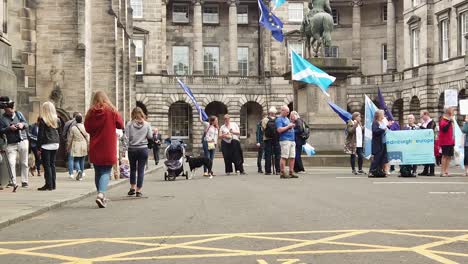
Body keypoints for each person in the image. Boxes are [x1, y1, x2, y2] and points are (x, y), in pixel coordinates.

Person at [85, 91, 124, 208]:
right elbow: (121, 125)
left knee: (98, 172)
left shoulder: (90, 112)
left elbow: (87, 128)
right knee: (106, 171)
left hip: (95, 146)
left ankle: (100, 195)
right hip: (108, 146)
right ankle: (101, 194)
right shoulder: (111, 110)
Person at [0, 98, 29, 188]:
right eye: (9, 110)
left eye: (12, 109)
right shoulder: (2, 118)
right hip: (11, 143)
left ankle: (25, 181)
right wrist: (9, 128)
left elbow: (26, 124)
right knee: (11, 162)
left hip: (23, 141)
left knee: (24, 162)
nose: (11, 111)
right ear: (5, 110)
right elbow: (1, 130)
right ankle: (13, 181)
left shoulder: (19, 114)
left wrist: (22, 125)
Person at [124, 107, 152, 197]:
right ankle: (138, 190)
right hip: (143, 149)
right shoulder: (147, 124)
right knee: (141, 170)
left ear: (133, 114)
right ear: (142, 114)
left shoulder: (129, 124)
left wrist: (124, 149)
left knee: (132, 169)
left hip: (132, 149)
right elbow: (150, 136)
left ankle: (132, 188)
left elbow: (126, 138)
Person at [37, 102, 61, 191]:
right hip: (55, 143)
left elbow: (40, 135)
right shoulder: (57, 120)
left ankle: (48, 185)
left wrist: (38, 147)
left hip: (46, 144)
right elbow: (59, 132)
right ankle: (53, 185)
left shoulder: (43, 120)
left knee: (47, 166)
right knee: (52, 164)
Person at [276, 105, 298, 179]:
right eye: (287, 112)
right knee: (284, 156)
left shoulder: (287, 119)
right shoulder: (279, 119)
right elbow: (279, 130)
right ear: (282, 111)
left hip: (291, 140)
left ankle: (291, 171)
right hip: (285, 140)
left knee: (292, 156)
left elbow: (288, 127)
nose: (288, 113)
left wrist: (292, 125)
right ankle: (282, 172)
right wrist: (288, 127)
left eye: (288, 112)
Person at [67, 114, 89, 181]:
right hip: (83, 144)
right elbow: (87, 136)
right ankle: (81, 175)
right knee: (82, 160)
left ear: (76, 120)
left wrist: (68, 146)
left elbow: (70, 138)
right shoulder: (85, 127)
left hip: (76, 144)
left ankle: (78, 170)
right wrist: (88, 144)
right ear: (81, 119)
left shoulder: (73, 128)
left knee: (76, 160)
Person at [369, 110, 388, 177]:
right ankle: (371, 171)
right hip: (377, 143)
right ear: (379, 115)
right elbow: (375, 131)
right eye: (383, 114)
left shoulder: (382, 122)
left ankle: (379, 171)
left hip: (383, 143)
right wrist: (383, 130)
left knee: (382, 158)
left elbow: (386, 130)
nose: (384, 115)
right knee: (377, 158)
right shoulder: (375, 122)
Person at [262, 107, 281, 175]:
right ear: (275, 112)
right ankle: (278, 170)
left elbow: (263, 129)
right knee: (277, 155)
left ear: (269, 112)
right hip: (276, 139)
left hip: (267, 139)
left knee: (268, 155)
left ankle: (268, 171)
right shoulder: (278, 119)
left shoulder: (265, 119)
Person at [438, 107, 455, 177]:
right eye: (452, 111)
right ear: (449, 112)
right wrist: (449, 121)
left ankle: (446, 171)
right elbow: (444, 129)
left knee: (449, 156)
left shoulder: (450, 120)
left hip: (451, 141)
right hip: (445, 141)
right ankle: (442, 172)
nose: (453, 112)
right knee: (444, 156)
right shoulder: (443, 119)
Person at [63, 112, 81, 179]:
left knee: (71, 159)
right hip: (79, 143)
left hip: (70, 142)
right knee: (77, 159)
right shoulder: (81, 124)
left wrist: (66, 140)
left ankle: (71, 173)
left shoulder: (68, 123)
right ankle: (78, 170)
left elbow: (64, 133)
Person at [419, 110, 436, 176]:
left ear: (426, 114)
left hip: (430, 142)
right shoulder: (424, 123)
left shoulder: (432, 122)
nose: (422, 118)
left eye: (422, 116)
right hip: (424, 142)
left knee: (431, 156)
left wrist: (421, 127)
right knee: (426, 156)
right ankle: (425, 170)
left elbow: (429, 131)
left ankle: (432, 171)